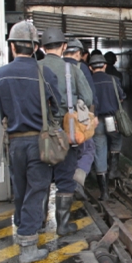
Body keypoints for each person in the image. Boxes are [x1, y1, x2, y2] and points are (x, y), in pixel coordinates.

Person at [0, 21, 60, 263]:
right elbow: (57, 105)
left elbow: (2, 108)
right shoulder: (45, 73)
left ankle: (23, 225)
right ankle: (28, 245)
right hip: (40, 142)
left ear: (12, 47)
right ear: (35, 48)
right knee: (37, 189)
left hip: (14, 142)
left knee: (20, 187)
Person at [38, 28, 94, 235]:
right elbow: (87, 99)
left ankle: (40, 222)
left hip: (40, 134)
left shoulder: (35, 67)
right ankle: (62, 225)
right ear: (63, 47)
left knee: (41, 178)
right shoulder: (73, 70)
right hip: (66, 133)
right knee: (65, 178)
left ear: (42, 47)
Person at [63, 38, 98, 201]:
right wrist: (91, 119)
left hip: (55, 120)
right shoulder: (80, 67)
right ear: (78, 53)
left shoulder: (50, 66)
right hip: (77, 120)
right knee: (87, 149)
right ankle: (77, 180)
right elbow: (89, 97)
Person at [89, 53, 125, 200]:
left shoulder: (88, 82)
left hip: (96, 121)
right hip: (111, 119)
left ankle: (104, 192)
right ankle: (114, 170)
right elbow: (122, 98)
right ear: (105, 66)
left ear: (90, 68)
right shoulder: (114, 80)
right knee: (116, 141)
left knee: (99, 152)